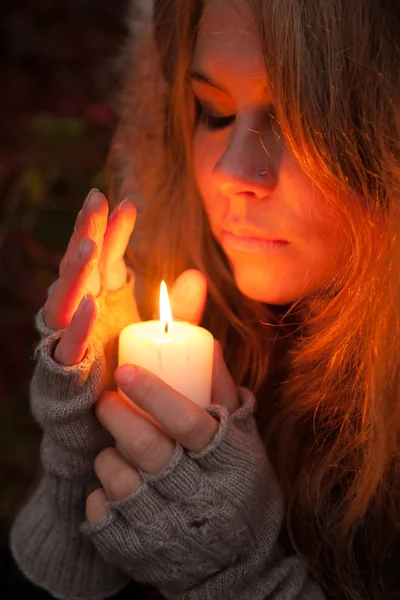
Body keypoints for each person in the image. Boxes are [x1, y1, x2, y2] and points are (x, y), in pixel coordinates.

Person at [9, 0, 400, 598]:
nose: (232, 169)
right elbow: (71, 582)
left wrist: (242, 577)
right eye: (214, 112)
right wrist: (84, 453)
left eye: (300, 121)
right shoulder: (215, 317)